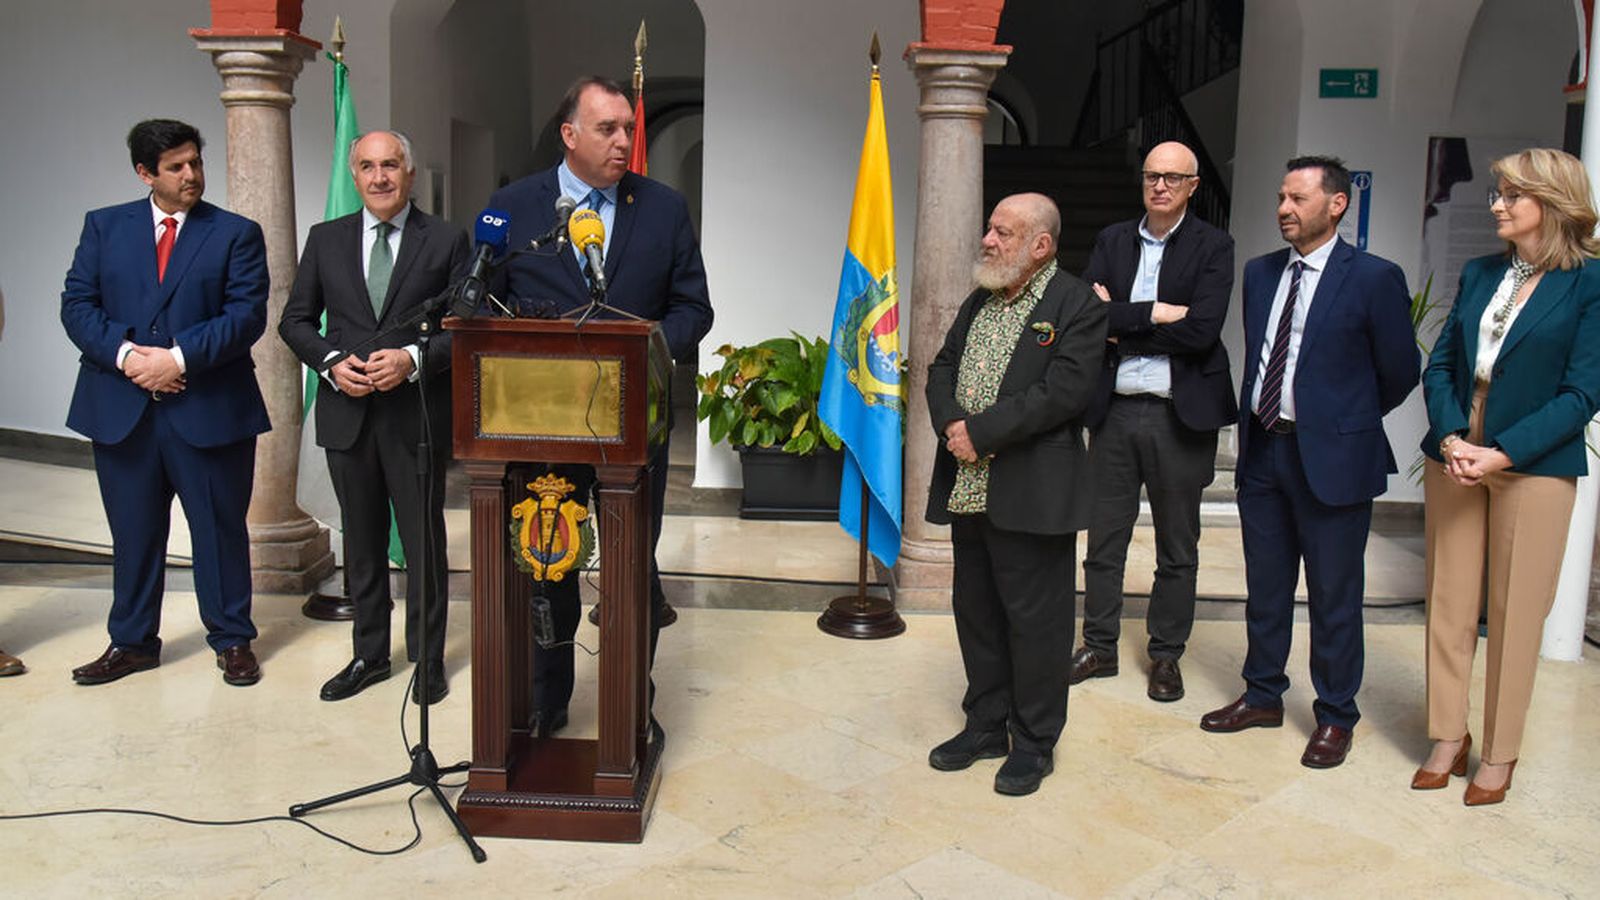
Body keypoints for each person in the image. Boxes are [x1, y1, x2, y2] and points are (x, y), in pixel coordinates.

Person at [487, 75, 713, 735]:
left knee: (630, 568)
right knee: (546, 560)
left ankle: (628, 705)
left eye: (626, 128)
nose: (623, 141)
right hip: (541, 427)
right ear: (569, 136)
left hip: (632, 428)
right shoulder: (513, 207)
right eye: (608, 129)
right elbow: (479, 306)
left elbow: (693, 307)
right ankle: (545, 701)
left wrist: (645, 351)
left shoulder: (663, 207)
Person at [1199, 156, 1419, 768]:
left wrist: (1342, 420)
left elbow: (1401, 370)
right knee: (1265, 587)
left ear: (1336, 204)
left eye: (1297, 198)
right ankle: (1263, 694)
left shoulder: (1374, 277)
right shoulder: (1262, 272)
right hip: (1265, 452)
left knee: (1333, 594)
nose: (1283, 209)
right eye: (1280, 197)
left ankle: (1334, 716)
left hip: (1334, 459)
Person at [1413, 148, 1600, 805]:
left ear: (1551, 202)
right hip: (1458, 453)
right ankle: (1447, 737)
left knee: (1516, 614)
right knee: (1449, 603)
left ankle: (1498, 753)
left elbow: (1583, 394)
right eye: (1497, 192)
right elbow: (1440, 367)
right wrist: (1450, 438)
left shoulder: (1591, 283)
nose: (1496, 204)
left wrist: (1504, 452)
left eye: (1510, 195)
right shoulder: (1481, 271)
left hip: (1536, 463)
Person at [61, 119, 271, 687]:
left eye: (195, 163)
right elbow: (78, 305)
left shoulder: (235, 233)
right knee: (132, 532)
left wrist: (174, 361)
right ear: (144, 173)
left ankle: (232, 640)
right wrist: (131, 357)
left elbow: (246, 315)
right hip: (122, 411)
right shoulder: (104, 227)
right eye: (176, 167)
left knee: (219, 530)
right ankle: (130, 643)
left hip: (209, 410)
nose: (191, 175)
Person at [924, 192, 1106, 796]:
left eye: (1003, 232)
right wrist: (952, 422)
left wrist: (980, 431)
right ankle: (984, 724)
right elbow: (942, 366)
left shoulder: (1076, 304)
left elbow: (1063, 394)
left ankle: (1033, 742)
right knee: (976, 612)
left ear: (1040, 246)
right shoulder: (981, 300)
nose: (988, 240)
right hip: (968, 485)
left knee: (1037, 624)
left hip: (1032, 490)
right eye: (990, 229)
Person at [280, 130, 471, 705]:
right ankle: (368, 655)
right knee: (359, 543)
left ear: (409, 175)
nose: (379, 177)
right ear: (355, 175)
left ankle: (427, 657)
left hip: (415, 418)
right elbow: (294, 321)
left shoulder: (445, 239)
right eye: (367, 166)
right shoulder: (326, 239)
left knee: (422, 544)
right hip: (348, 413)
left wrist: (414, 359)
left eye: (391, 165)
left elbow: (466, 324)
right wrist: (332, 363)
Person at [1072, 141, 1236, 702]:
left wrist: (1125, 322)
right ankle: (1098, 646)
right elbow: (1089, 318)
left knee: (1178, 546)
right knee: (1103, 540)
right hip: (1114, 412)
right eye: (1151, 176)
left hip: (1178, 416)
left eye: (1172, 177)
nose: (1159, 185)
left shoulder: (1215, 246)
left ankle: (1166, 655)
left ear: (1193, 186)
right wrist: (1156, 313)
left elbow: (1202, 332)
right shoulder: (1113, 239)